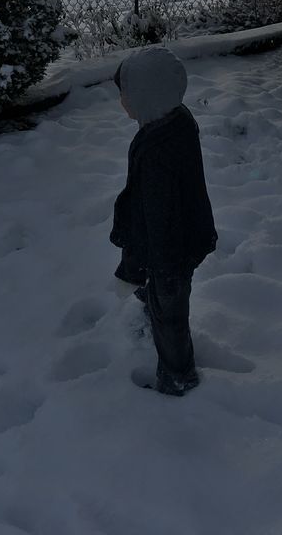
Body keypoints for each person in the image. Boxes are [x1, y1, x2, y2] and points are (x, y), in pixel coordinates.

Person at [109, 46, 217, 396]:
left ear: (146, 96)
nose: (122, 102)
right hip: (187, 238)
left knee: (170, 319)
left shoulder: (156, 153)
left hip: (168, 256)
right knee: (162, 301)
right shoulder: (176, 121)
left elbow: (150, 219)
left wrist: (133, 267)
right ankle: (150, 301)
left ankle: (177, 376)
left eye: (125, 94)